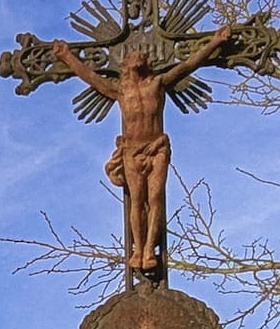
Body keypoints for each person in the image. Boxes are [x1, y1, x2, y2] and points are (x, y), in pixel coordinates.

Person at [50, 25, 237, 272]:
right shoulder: (120, 90)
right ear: (125, 65)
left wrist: (215, 42)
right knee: (136, 200)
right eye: (133, 55)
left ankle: (150, 249)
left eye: (141, 54)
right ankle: (138, 250)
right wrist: (66, 56)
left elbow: (187, 65)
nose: (138, 55)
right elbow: (91, 77)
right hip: (132, 151)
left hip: (157, 148)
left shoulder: (158, 83)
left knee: (155, 198)